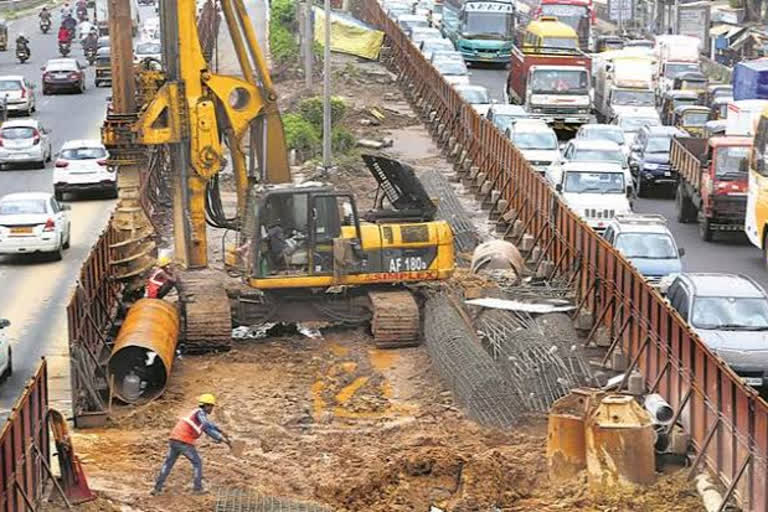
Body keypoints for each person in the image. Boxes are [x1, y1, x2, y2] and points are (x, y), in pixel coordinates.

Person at [151, 394, 231, 495]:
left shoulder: (198, 416)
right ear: (206, 406)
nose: (212, 409)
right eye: (211, 406)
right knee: (197, 463)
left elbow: (207, 429)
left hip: (174, 439)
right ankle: (197, 489)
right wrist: (221, 433)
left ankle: (157, 489)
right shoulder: (200, 413)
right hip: (183, 441)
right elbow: (206, 425)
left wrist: (221, 437)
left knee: (168, 464)